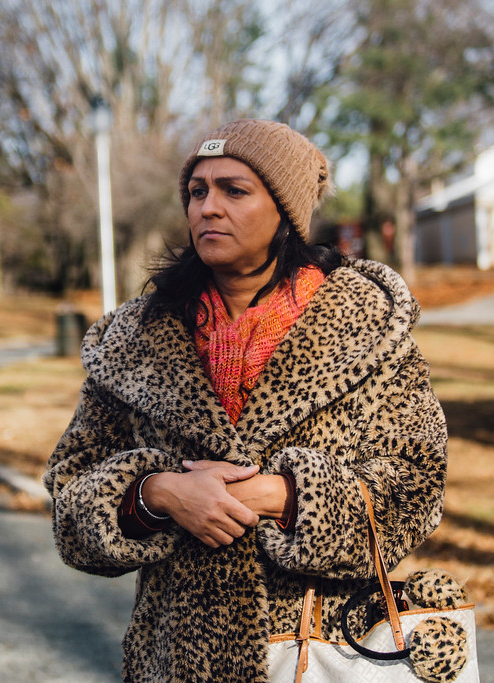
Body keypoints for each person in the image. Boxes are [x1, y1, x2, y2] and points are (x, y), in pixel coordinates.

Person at [42, 119, 447, 682]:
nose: (208, 207)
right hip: (174, 662)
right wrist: (158, 493)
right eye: (197, 191)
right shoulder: (135, 339)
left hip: (320, 654)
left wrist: (280, 496)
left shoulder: (368, 329)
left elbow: (416, 486)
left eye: (234, 190)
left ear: (286, 212)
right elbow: (70, 505)